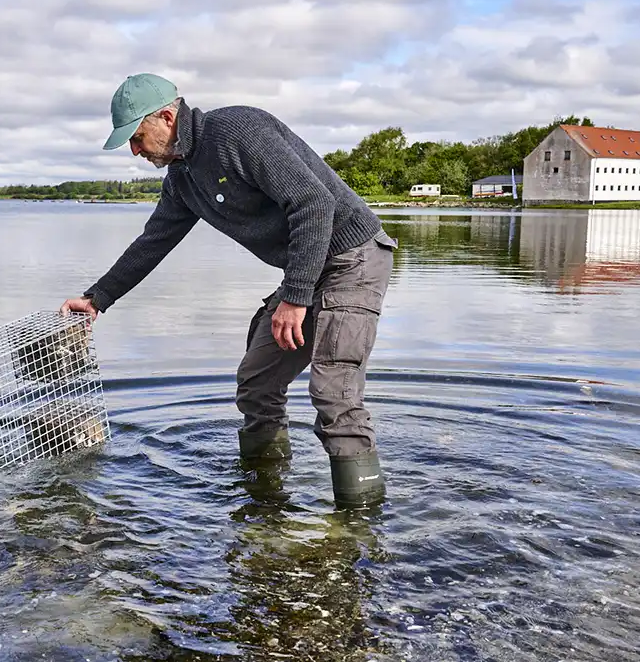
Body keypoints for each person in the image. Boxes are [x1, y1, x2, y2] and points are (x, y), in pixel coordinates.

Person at [60, 74, 397, 507]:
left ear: (167, 117)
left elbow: (315, 204)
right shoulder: (182, 181)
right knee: (256, 383)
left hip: (353, 258)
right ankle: (265, 500)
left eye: (138, 137)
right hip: (306, 267)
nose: (135, 150)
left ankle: (359, 531)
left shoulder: (238, 131)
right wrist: (97, 298)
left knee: (333, 393)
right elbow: (153, 241)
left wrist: (294, 298)